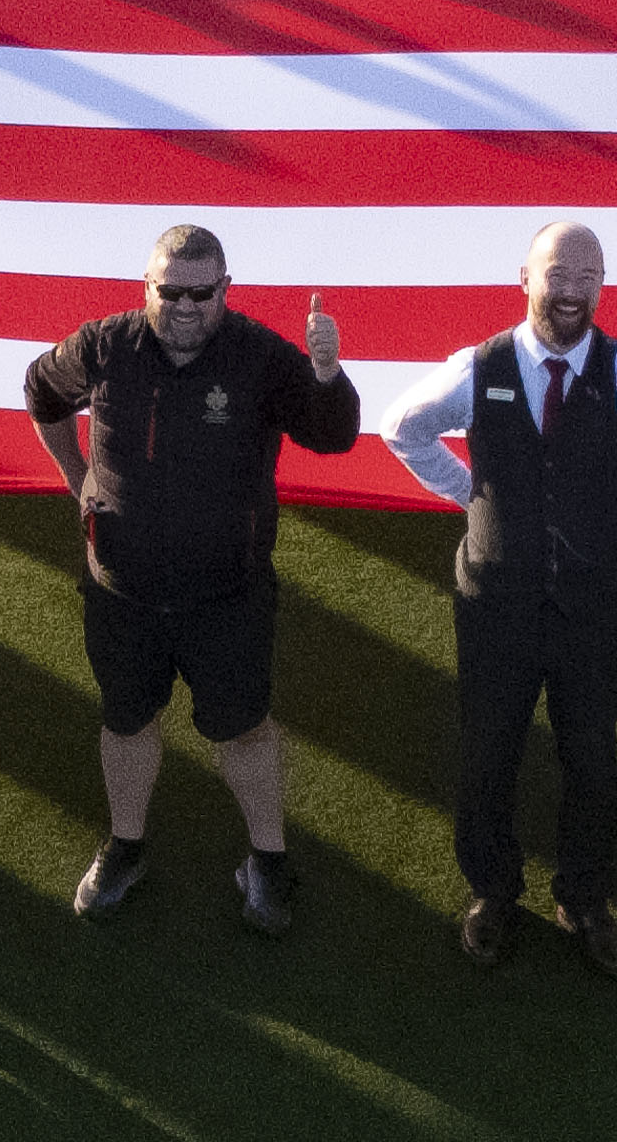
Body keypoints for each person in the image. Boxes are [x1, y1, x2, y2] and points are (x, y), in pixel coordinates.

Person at [377, 221, 617, 974]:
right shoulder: (481, 364)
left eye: (587, 276)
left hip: (591, 605)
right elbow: (402, 427)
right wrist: (472, 493)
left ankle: (584, 899)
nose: (570, 290)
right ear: (523, 277)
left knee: (591, 756)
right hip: (497, 602)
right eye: (557, 273)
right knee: (489, 751)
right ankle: (492, 891)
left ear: (602, 285)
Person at [29, 225, 368, 933]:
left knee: (243, 730)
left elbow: (332, 436)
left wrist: (330, 375)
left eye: (201, 291)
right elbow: (40, 390)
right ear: (145, 287)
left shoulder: (262, 356)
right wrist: (75, 474)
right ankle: (125, 846)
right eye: (169, 290)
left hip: (228, 596)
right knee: (126, 721)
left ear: (225, 289)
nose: (185, 305)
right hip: (121, 589)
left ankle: (267, 859)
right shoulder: (104, 344)